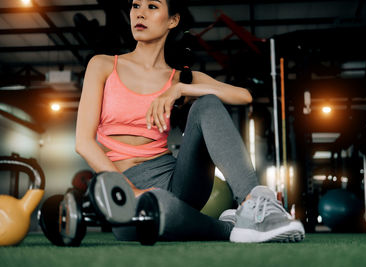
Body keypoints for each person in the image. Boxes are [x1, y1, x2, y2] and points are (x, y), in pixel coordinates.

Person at [75, 0, 304, 243]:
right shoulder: (102, 65)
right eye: (135, 5)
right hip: (124, 185)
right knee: (154, 213)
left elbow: (244, 95)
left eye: (152, 6)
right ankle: (230, 228)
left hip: (178, 180)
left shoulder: (179, 78)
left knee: (207, 103)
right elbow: (84, 143)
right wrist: (129, 190)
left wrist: (182, 88)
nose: (140, 13)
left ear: (172, 20)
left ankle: (253, 205)